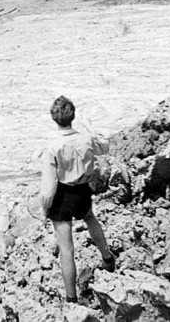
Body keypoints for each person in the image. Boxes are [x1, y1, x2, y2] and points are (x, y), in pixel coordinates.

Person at [40, 95, 116, 303]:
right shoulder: (85, 139)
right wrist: (89, 130)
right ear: (73, 115)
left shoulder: (53, 146)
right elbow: (105, 146)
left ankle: (71, 298)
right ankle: (107, 256)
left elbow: (48, 187)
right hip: (82, 190)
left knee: (66, 250)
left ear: (54, 118)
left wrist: (45, 208)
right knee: (90, 218)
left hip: (63, 194)